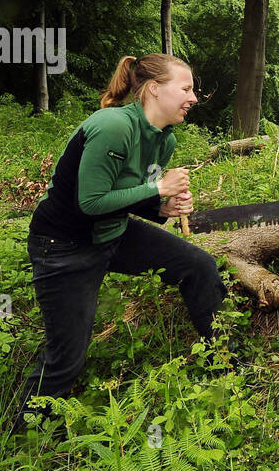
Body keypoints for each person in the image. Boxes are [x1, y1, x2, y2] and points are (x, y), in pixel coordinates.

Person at [13, 53, 229, 432]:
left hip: (112, 233)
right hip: (64, 246)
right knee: (68, 358)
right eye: (187, 88)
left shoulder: (165, 139)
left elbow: (132, 195)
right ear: (153, 89)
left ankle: (224, 362)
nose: (194, 98)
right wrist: (159, 187)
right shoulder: (113, 127)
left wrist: (163, 206)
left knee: (198, 266)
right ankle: (26, 435)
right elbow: (91, 202)